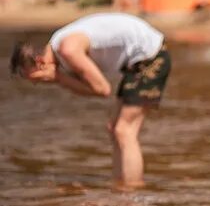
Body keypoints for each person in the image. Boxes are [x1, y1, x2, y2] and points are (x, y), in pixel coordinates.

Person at [10, 13, 170, 187]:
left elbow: (103, 89)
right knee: (114, 128)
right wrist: (61, 78)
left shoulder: (68, 49)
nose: (35, 83)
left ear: (40, 62)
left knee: (124, 131)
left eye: (34, 78)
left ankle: (132, 193)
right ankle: (120, 186)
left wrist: (59, 79)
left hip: (151, 56)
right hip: (136, 61)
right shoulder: (59, 45)